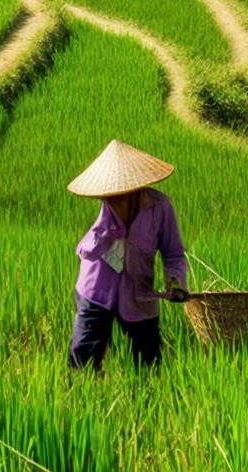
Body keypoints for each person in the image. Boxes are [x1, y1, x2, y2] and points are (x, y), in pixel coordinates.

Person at [67, 139, 189, 370]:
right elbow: (87, 251)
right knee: (82, 360)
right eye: (108, 193)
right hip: (96, 290)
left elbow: (173, 253)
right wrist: (108, 229)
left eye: (119, 193)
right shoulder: (107, 209)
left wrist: (175, 281)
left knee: (149, 364)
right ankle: (82, 400)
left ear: (135, 188)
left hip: (139, 294)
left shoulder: (160, 207)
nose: (112, 198)